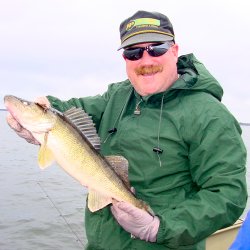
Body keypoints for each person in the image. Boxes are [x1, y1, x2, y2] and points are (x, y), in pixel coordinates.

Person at [7, 10, 248, 250]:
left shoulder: (210, 116)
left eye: (157, 48)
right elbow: (74, 112)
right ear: (125, 59)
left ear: (174, 51)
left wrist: (157, 227)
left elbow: (228, 194)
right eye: (133, 53)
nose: (146, 60)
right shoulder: (119, 96)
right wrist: (44, 108)